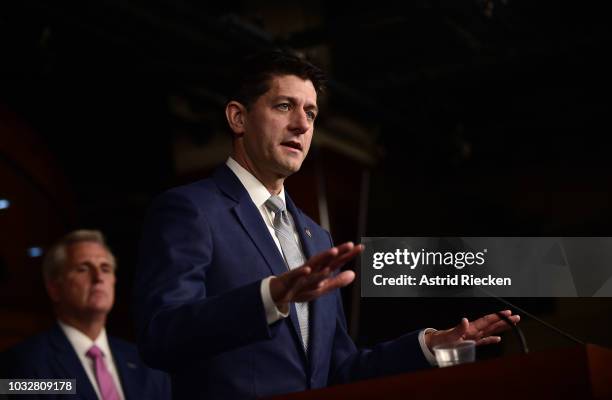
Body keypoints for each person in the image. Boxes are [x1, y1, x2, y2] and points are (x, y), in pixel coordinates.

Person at [134, 50, 520, 399]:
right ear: (238, 117)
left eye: (311, 113)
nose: (302, 125)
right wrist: (270, 297)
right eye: (285, 106)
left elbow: (339, 370)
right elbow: (161, 335)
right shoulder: (191, 209)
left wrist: (428, 345)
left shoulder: (316, 237)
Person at [1, 230, 171, 400]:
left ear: (114, 281)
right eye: (83, 269)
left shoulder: (147, 364)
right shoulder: (24, 363)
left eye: (105, 268)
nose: (98, 278)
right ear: (54, 289)